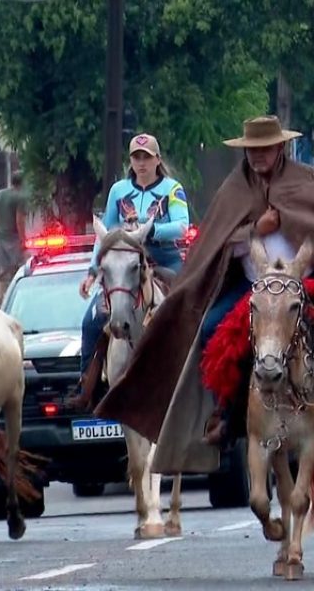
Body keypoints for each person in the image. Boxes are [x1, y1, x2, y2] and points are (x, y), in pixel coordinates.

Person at [96, 115, 314, 475]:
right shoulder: (235, 188)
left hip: (301, 285)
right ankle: (225, 415)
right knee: (211, 328)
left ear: (280, 148)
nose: (258, 157)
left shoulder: (304, 182)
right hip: (250, 287)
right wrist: (254, 229)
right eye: (252, 151)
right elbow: (220, 242)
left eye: (265, 149)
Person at [79, 133, 189, 381]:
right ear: (130, 161)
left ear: (157, 160)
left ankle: (194, 374)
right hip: (123, 264)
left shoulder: (172, 189)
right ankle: (87, 381)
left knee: (189, 311)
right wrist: (93, 271)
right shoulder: (119, 190)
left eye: (147, 157)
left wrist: (150, 230)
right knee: (91, 321)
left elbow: (182, 225)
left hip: (164, 259)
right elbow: (104, 234)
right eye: (136, 157)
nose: (142, 163)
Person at [0, 171, 28, 302]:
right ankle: (15, 298)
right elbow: (19, 220)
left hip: (0, 237)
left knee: (3, 268)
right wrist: (23, 241)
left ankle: (1, 298)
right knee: (16, 268)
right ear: (23, 182)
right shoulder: (20, 197)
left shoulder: (0, 194)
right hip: (13, 238)